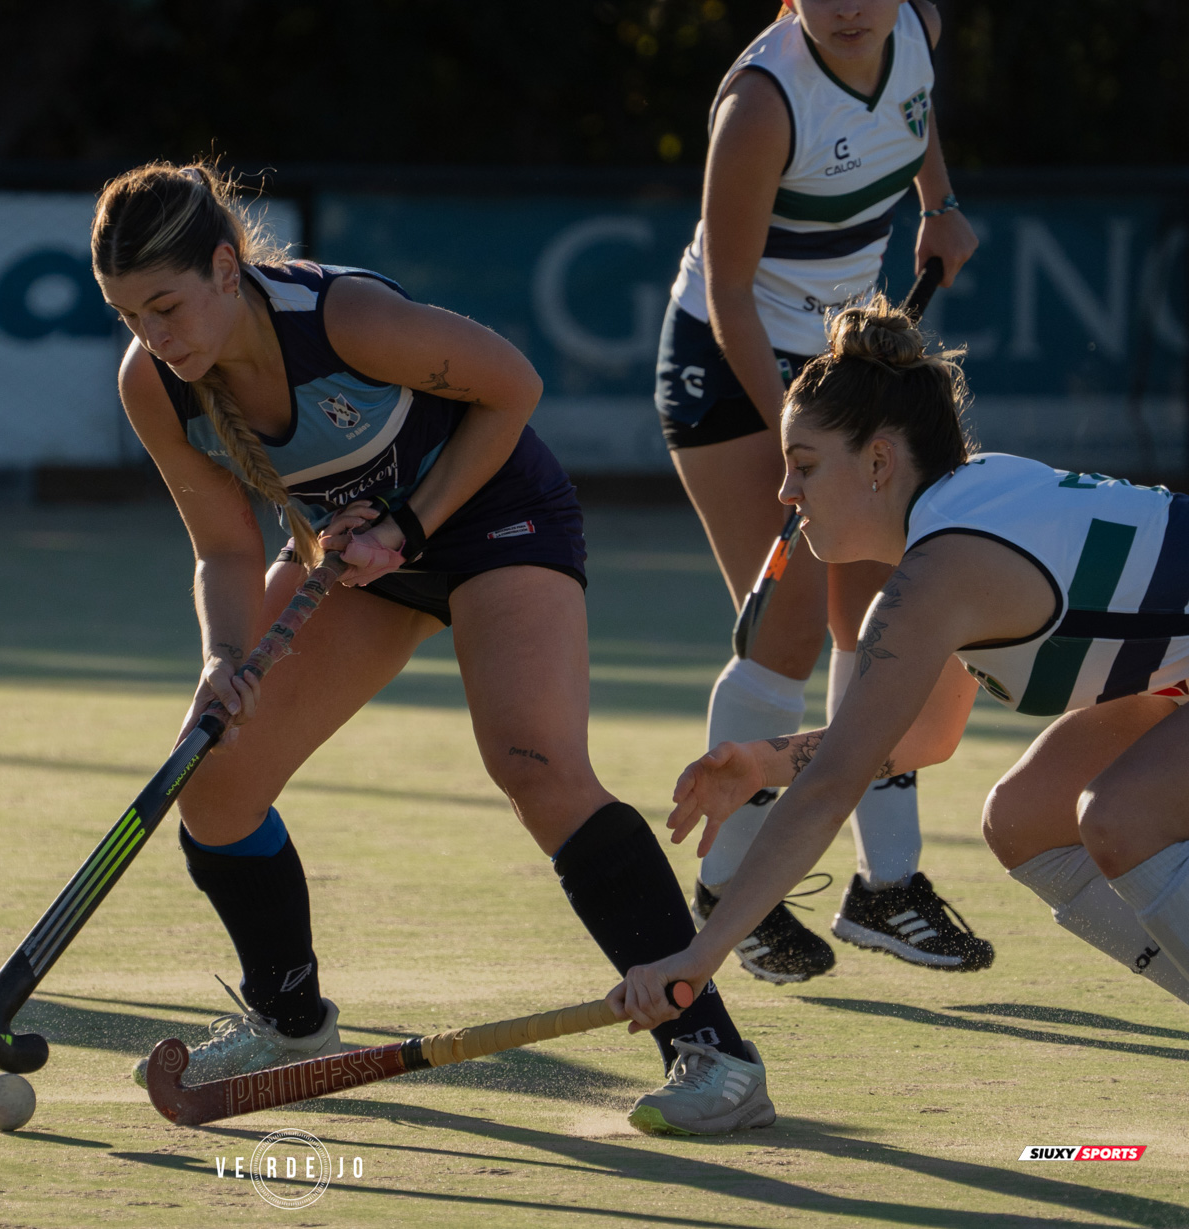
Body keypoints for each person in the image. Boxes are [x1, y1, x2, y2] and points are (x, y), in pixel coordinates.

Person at [91, 161, 774, 1135]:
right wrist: (221, 660)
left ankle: (713, 1050)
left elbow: (515, 387)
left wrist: (409, 525)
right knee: (217, 779)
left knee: (536, 766)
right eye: (129, 316)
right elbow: (225, 548)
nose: (155, 337)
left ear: (226, 268)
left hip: (496, 517)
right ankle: (290, 1022)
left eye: (166, 306)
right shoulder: (154, 383)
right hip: (358, 558)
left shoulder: (345, 321)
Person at [617, 296, 1189, 1036]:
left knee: (1118, 816)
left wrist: (700, 956)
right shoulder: (962, 518)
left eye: (804, 465)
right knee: (1025, 817)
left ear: (879, 461)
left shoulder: (935, 578)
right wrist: (764, 761)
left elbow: (832, 790)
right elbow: (924, 736)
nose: (786, 493)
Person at [654, 0, 986, 983]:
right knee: (791, 628)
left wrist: (939, 202)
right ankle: (725, 891)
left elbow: (913, 107)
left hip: (839, 365)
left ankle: (886, 887)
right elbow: (728, 294)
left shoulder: (916, 27)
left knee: (887, 617)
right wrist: (798, 447)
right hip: (734, 368)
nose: (848, 8)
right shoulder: (762, 104)